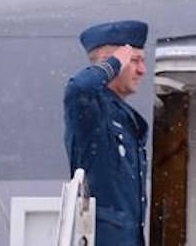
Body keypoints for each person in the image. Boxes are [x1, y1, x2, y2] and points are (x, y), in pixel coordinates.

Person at [63, 20, 149, 246]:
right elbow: (80, 88)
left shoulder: (123, 116)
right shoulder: (92, 110)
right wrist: (114, 63)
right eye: (134, 61)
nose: (142, 70)